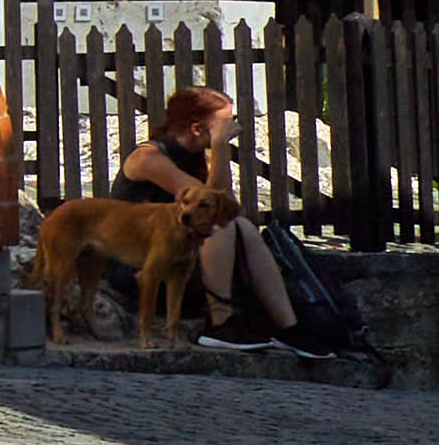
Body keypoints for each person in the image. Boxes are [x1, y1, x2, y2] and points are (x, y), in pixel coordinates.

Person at [117, 82, 302, 348]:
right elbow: (214, 203)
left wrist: (215, 150)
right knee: (220, 226)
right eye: (226, 123)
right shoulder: (148, 158)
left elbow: (225, 204)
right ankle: (220, 323)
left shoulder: (195, 157)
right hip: (138, 264)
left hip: (178, 256)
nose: (232, 129)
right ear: (196, 128)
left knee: (242, 227)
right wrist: (219, 145)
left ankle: (289, 326)